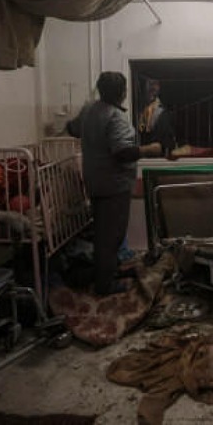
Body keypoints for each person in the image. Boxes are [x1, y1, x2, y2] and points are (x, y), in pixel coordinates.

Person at [66, 71, 161, 295]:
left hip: (95, 182)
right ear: (122, 92)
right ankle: (105, 286)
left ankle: (108, 273)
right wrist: (149, 150)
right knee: (112, 237)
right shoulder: (115, 117)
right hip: (114, 186)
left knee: (104, 233)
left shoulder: (89, 110)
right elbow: (122, 153)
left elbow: (72, 129)